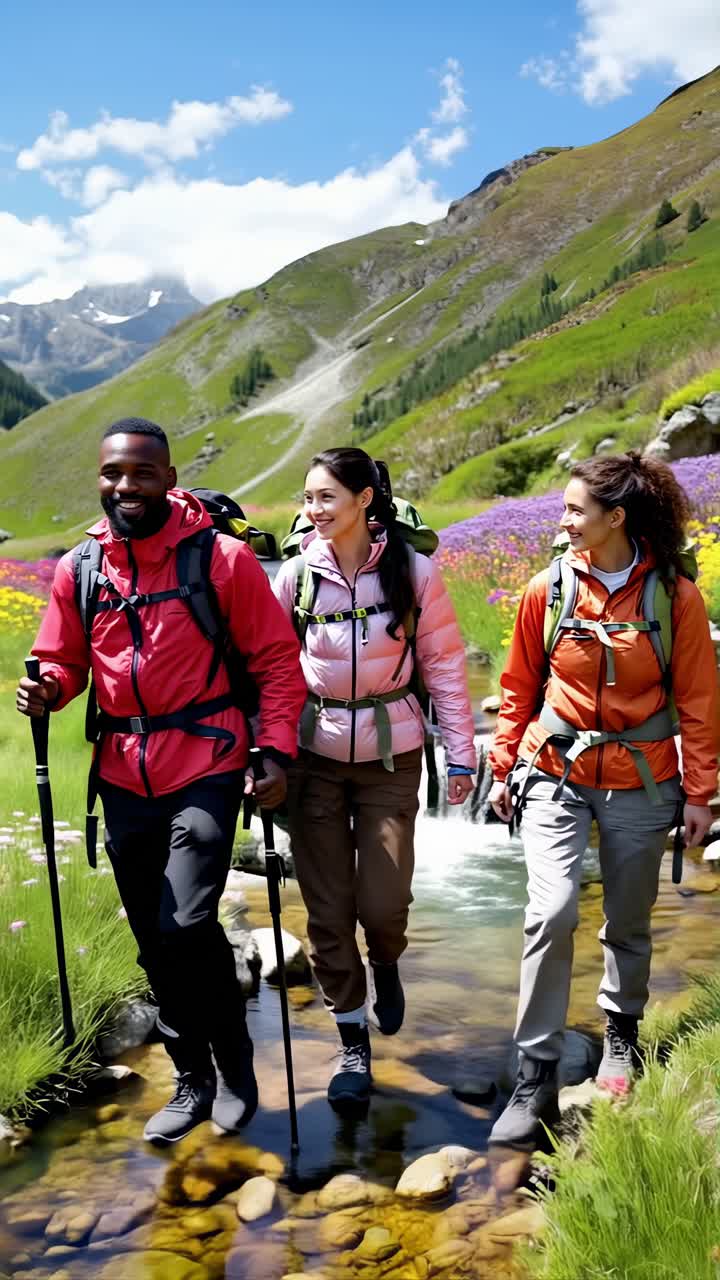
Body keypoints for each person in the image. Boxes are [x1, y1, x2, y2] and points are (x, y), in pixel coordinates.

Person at [16, 417, 307, 1144]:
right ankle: (190, 1077)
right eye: (113, 473)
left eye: (141, 474)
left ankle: (234, 1067)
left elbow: (275, 662)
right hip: (122, 776)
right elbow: (65, 659)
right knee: (153, 939)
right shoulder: (80, 569)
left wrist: (272, 751)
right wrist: (49, 687)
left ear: (168, 479)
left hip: (206, 765)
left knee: (185, 923)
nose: (125, 487)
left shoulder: (224, 560)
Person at [487, 451, 719, 1150]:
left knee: (628, 920)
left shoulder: (675, 596)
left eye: (574, 511)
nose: (562, 522)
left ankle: (621, 1039)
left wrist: (702, 793)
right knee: (550, 911)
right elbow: (518, 686)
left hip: (645, 781)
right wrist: (502, 766)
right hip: (554, 772)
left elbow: (702, 703)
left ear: (616, 518)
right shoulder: (546, 590)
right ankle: (536, 1073)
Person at [273, 447, 477, 1109]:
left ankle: (386, 960)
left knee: (383, 905)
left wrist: (464, 756)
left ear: (365, 498)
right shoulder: (295, 579)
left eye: (327, 496)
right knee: (328, 911)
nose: (314, 510)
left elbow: (444, 668)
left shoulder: (415, 573)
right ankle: (351, 1039)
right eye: (308, 498)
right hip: (313, 761)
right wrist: (265, 752)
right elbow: (270, 673)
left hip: (395, 755)